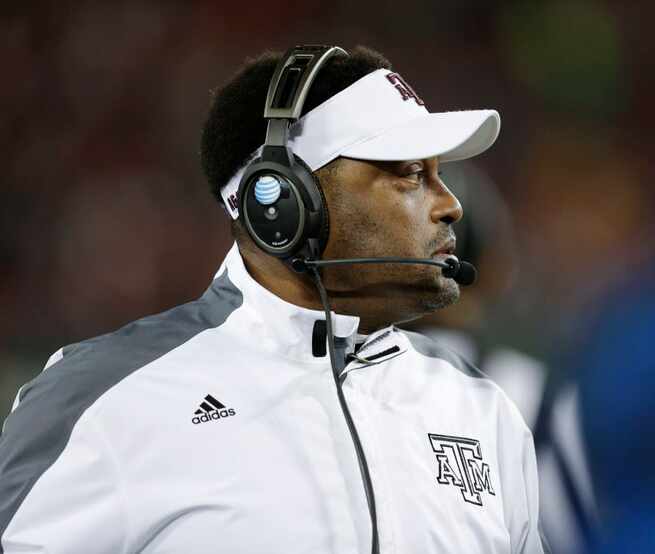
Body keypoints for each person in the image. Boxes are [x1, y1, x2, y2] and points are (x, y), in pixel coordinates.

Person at [0, 45, 547, 554]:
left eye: (439, 174)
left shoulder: (480, 406)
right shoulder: (104, 398)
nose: (451, 204)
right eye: (409, 173)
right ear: (282, 201)